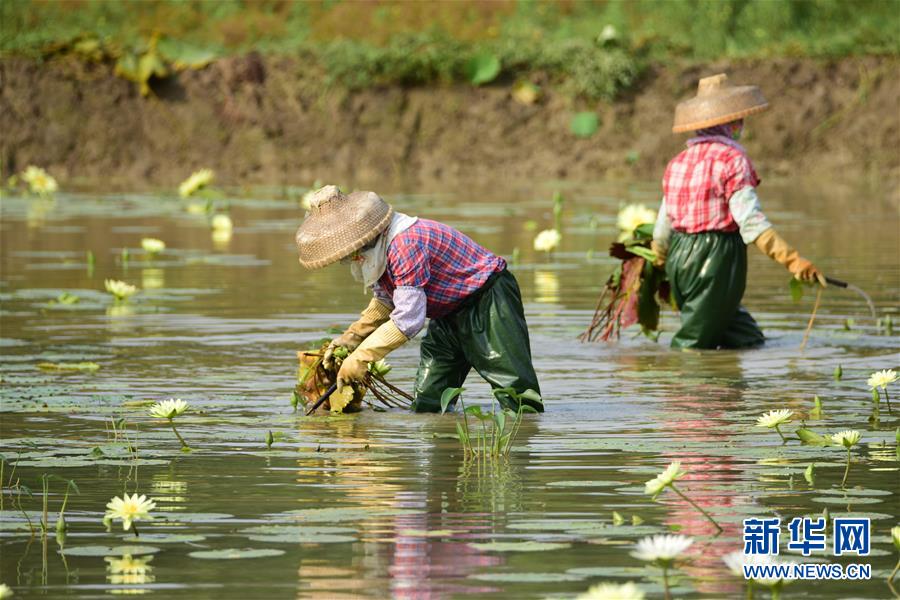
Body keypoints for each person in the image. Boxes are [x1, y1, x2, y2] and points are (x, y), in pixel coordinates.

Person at [295, 185, 543, 412]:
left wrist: (362, 356)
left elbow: (408, 320)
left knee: (517, 396)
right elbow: (385, 301)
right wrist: (350, 340)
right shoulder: (377, 252)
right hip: (446, 312)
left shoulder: (405, 243)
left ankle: (525, 446)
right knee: (429, 401)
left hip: (487, 300)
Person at [651, 73, 825, 349]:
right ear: (731, 124)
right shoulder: (732, 160)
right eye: (738, 120)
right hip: (715, 260)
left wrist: (659, 258)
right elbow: (751, 222)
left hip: (680, 258)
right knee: (692, 344)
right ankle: (677, 387)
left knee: (746, 339)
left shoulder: (678, 162)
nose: (741, 126)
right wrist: (793, 260)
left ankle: (730, 391)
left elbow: (663, 224)